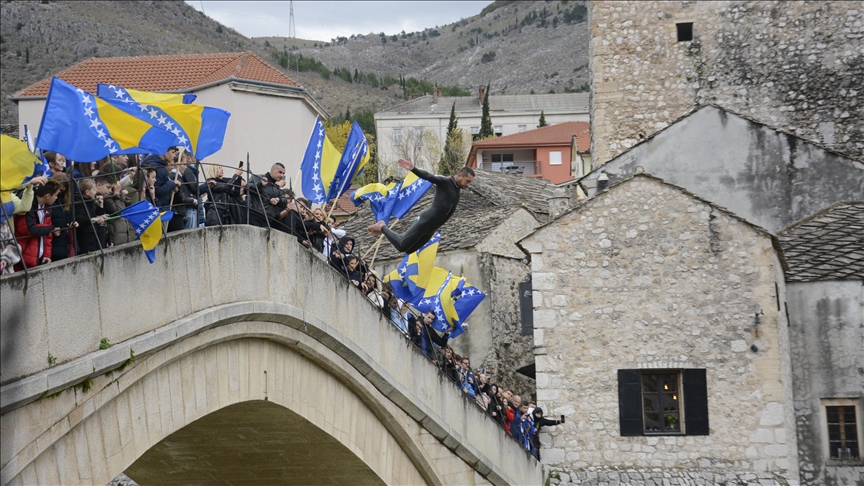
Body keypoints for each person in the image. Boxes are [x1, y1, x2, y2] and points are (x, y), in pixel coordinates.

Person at [367, 158, 475, 253]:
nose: (468, 185)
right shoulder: (445, 182)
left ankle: (388, 232)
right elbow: (428, 176)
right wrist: (413, 168)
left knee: (409, 250)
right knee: (401, 246)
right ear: (460, 175)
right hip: (426, 221)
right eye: (467, 181)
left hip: (432, 228)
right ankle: (382, 227)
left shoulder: (457, 189)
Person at [14, 180, 61, 268]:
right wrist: (50, 229)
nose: (56, 198)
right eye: (55, 195)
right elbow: (27, 229)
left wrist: (47, 255)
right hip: (23, 258)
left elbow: (48, 236)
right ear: (48, 196)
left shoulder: (46, 207)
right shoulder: (29, 205)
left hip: (39, 258)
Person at [72, 178, 107, 254]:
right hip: (85, 236)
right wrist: (92, 219)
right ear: (87, 192)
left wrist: (100, 206)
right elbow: (79, 218)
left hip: (93, 233)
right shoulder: (78, 202)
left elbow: (96, 214)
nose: (96, 192)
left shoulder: (90, 201)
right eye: (94, 190)